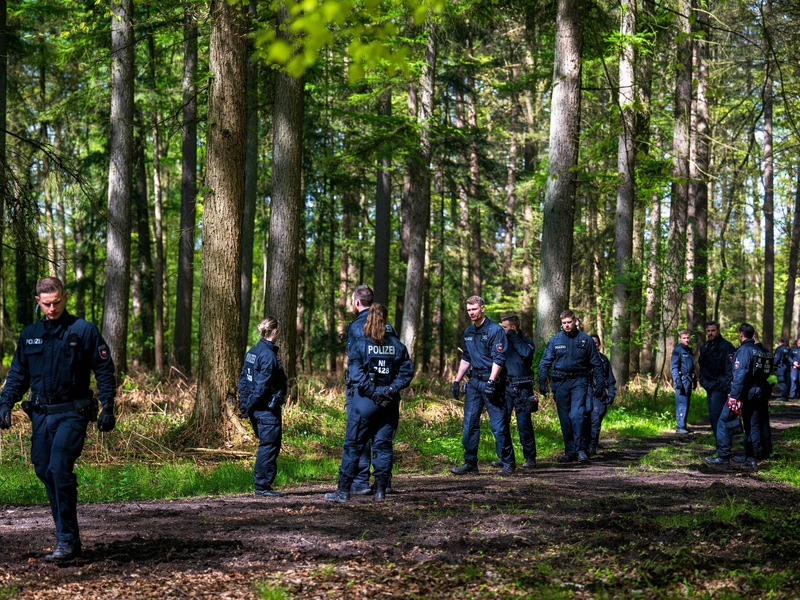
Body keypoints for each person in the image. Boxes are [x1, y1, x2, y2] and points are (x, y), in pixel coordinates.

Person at [0, 276, 117, 561]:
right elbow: (18, 374)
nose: (51, 309)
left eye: (56, 303)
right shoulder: (29, 335)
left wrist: (108, 406)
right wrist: (4, 403)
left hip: (73, 413)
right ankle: (71, 538)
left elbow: (103, 369)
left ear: (64, 297)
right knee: (44, 470)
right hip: (41, 416)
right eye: (46, 304)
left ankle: (65, 540)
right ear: (38, 301)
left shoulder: (83, 330)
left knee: (58, 469)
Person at [325, 304, 413, 502]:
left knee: (354, 444)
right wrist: (389, 390)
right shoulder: (397, 345)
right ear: (386, 319)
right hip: (388, 403)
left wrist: (373, 393)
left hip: (364, 402)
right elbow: (406, 374)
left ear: (369, 319)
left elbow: (356, 375)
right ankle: (380, 490)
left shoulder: (360, 344)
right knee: (383, 445)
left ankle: (343, 491)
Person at [450, 296, 516, 475]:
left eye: (475, 309)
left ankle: (508, 462)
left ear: (482, 309)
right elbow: (466, 358)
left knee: (498, 425)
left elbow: (499, 359)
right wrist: (457, 381)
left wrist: (491, 381)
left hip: (492, 382)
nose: (471, 313)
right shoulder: (469, 332)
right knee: (470, 424)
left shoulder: (495, 330)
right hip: (474, 383)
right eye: (469, 310)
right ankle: (470, 462)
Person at [344, 285, 398, 495]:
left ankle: (360, 481)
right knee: (383, 435)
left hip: (362, 390)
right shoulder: (387, 326)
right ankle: (384, 482)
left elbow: (354, 361)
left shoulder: (356, 326)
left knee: (359, 434)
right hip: (387, 390)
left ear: (357, 303)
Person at [538, 309, 604, 463]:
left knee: (577, 414)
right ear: (561, 324)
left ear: (574, 321)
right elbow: (545, 362)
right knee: (565, 417)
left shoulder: (586, 340)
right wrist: (542, 382)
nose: (567, 325)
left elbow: (596, 363)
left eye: (569, 322)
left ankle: (581, 450)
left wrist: (600, 383)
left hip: (579, 382)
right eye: (564, 323)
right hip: (560, 382)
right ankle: (569, 451)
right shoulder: (555, 340)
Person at [706, 323, 768, 469]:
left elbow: (740, 374)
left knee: (723, 421)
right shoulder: (758, 350)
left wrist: (734, 396)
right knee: (751, 425)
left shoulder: (744, 350)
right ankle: (751, 458)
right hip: (757, 392)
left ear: (741, 334)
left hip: (744, 394)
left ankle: (723, 457)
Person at [238, 316, 288, 498]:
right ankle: (262, 486)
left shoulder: (253, 351)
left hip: (257, 408)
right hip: (265, 409)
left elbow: (243, 380)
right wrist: (249, 405)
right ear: (274, 331)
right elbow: (261, 386)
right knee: (269, 446)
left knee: (268, 444)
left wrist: (245, 405)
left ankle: (264, 485)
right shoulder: (267, 356)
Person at [490, 314, 537, 469]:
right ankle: (504, 457)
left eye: (504, 327)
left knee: (524, 424)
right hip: (505, 388)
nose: (501, 329)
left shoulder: (526, 343)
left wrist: (513, 336)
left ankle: (530, 458)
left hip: (523, 389)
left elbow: (526, 353)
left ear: (513, 328)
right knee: (502, 423)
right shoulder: (501, 344)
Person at [698, 320, 735, 444]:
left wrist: (728, 389)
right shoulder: (705, 347)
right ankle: (720, 445)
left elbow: (730, 370)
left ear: (718, 331)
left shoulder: (726, 347)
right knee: (713, 419)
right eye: (708, 331)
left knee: (719, 418)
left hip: (720, 388)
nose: (710, 333)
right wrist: (703, 381)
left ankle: (723, 447)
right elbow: (701, 366)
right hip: (709, 387)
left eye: (713, 331)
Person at [582, 334, 616, 457]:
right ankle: (582, 447)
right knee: (584, 421)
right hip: (585, 394)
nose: (593, 344)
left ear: (599, 344)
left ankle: (592, 446)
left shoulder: (603, 360)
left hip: (599, 395)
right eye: (591, 342)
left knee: (595, 422)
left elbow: (610, 380)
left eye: (595, 342)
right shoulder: (582, 359)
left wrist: (611, 394)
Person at [670, 330, 696, 434]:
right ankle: (680, 426)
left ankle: (683, 425)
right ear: (680, 339)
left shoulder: (689, 351)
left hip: (688, 379)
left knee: (686, 403)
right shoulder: (678, 350)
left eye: (688, 338)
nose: (686, 340)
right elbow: (674, 367)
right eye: (684, 338)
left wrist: (694, 379)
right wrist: (677, 381)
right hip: (681, 379)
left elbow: (691, 367)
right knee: (681, 402)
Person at [774, 337, 790, 401]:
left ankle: (784, 397)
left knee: (781, 381)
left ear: (778, 341)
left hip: (781, 367)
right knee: (786, 381)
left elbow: (776, 359)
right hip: (787, 366)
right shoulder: (786, 349)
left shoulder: (779, 349)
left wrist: (774, 364)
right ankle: (786, 395)